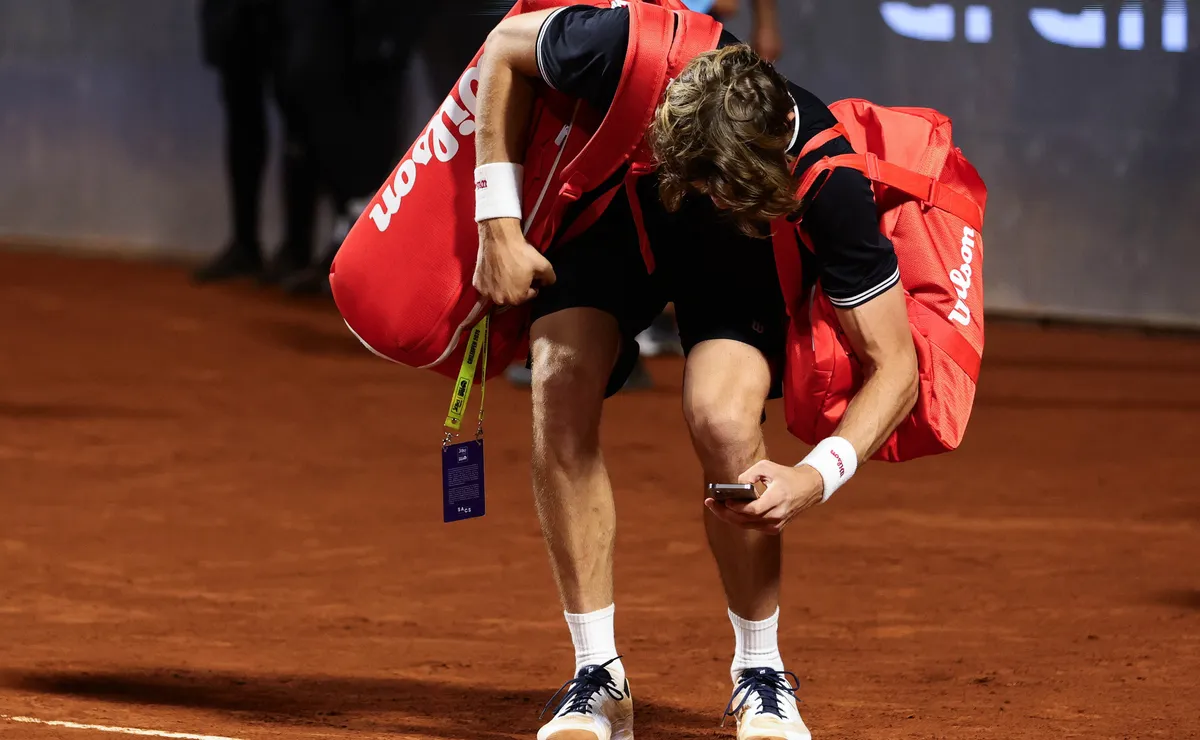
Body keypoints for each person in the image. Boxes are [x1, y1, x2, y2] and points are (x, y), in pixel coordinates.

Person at [472, 5, 918, 740]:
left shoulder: (828, 179)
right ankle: (597, 678)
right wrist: (498, 220)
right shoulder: (626, 49)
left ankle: (759, 673)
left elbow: (895, 367)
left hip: (740, 261)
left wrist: (815, 475)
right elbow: (504, 48)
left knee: (722, 417)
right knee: (559, 378)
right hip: (624, 210)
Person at [193, 0, 320, 285]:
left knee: (299, 119)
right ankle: (245, 243)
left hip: (289, 15)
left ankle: (297, 247)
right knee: (241, 117)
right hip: (234, 13)